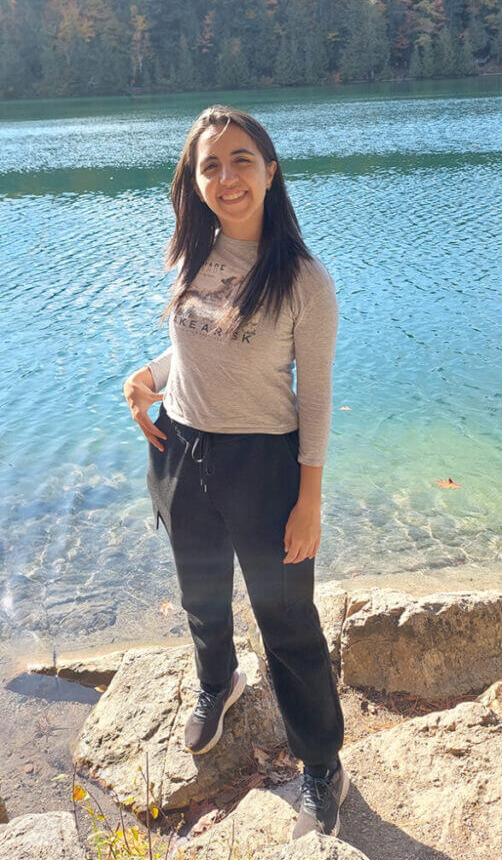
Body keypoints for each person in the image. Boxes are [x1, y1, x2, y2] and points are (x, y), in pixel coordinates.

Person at [123, 105, 349, 840]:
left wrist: (308, 497)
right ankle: (218, 684)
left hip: (264, 464)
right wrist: (149, 374)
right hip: (182, 452)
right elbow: (194, 348)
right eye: (210, 164)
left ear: (271, 169)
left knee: (287, 622)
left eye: (241, 159)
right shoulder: (196, 252)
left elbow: (312, 396)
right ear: (194, 180)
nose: (227, 176)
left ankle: (322, 763)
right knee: (201, 596)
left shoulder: (304, 281)